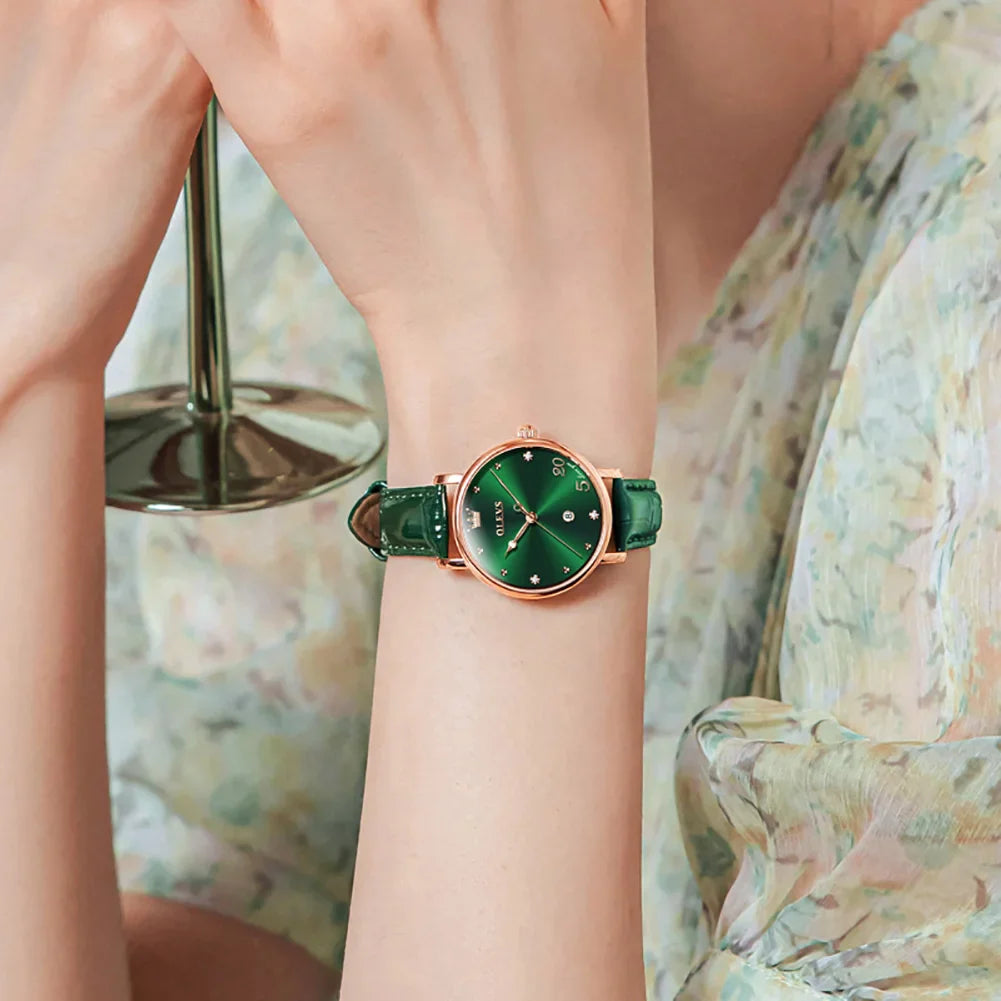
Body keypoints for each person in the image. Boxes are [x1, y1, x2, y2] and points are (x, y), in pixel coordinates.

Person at [2, 1, 991, 999]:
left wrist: (506, 361)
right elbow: (216, 934)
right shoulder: (346, 126)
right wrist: (27, 364)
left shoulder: (965, 343)